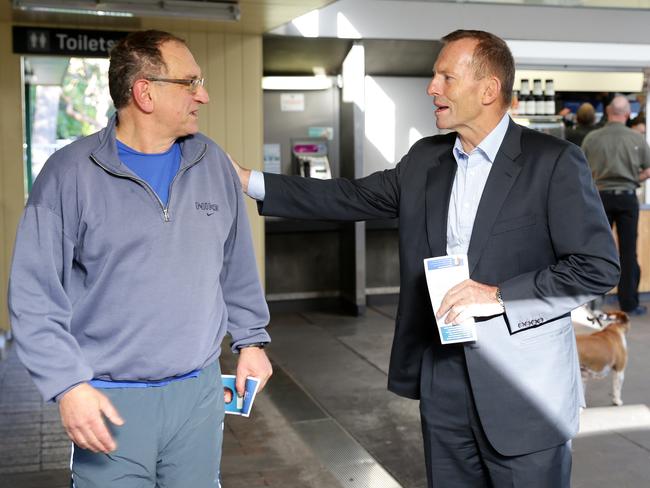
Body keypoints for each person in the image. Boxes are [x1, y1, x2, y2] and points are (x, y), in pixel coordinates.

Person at [232, 30, 619, 488]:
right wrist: (247, 180)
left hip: (525, 391)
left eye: (445, 77)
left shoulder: (553, 162)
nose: (431, 87)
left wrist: (497, 295)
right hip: (445, 380)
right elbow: (349, 195)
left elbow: (597, 267)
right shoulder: (425, 161)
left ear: (489, 89)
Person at [8, 30, 272, 487]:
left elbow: (236, 266)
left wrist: (251, 341)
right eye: (190, 83)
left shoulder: (211, 163)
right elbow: (34, 296)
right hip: (111, 402)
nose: (203, 95)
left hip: (199, 394)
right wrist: (67, 385)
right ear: (145, 92)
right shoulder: (69, 174)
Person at [582, 95, 650, 315]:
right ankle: (629, 303)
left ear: (609, 112)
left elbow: (580, 171)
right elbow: (648, 169)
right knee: (628, 253)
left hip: (599, 198)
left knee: (597, 250)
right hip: (627, 198)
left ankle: (593, 302)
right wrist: (633, 178)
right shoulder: (636, 138)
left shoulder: (592, 138)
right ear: (627, 114)